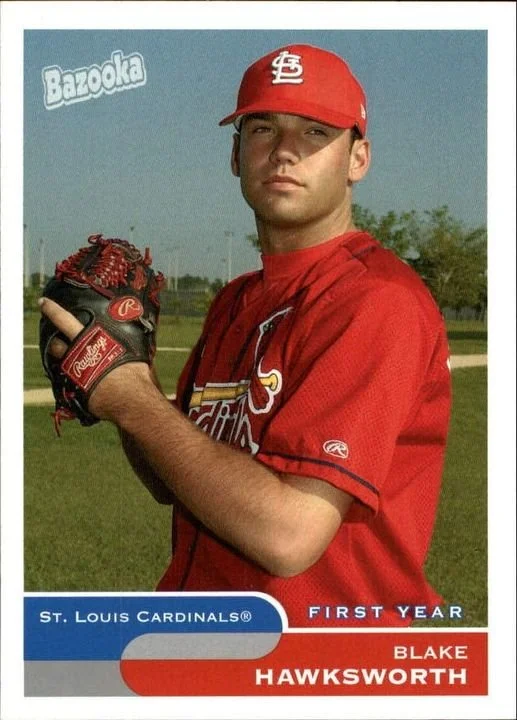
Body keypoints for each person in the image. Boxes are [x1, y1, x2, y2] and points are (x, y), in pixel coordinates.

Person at [39, 44, 452, 628]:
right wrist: (127, 378)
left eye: (315, 131)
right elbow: (171, 479)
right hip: (211, 640)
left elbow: (288, 536)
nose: (284, 150)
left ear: (358, 159)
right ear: (236, 155)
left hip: (318, 658)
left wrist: (134, 401)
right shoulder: (236, 301)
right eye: (262, 128)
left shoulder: (375, 302)